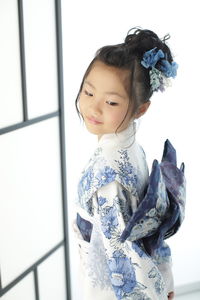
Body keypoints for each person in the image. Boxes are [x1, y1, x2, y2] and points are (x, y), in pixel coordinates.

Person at [73, 28, 185, 300]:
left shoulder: (106, 175)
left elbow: (119, 252)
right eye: (88, 93)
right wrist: (164, 277)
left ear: (140, 108)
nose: (94, 108)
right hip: (147, 271)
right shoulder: (134, 149)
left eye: (111, 101)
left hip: (113, 286)